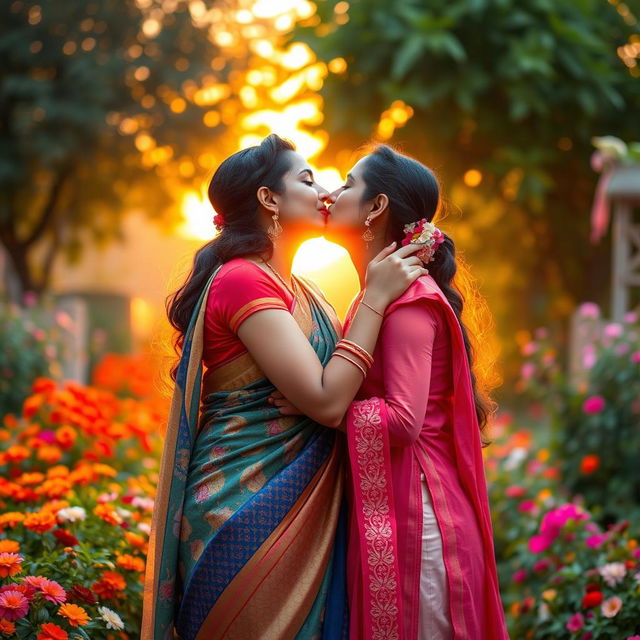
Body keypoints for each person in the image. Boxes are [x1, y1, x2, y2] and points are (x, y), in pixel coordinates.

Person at [142, 134, 428, 640]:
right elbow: (326, 400)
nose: (323, 193)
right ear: (268, 199)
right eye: (307, 179)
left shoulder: (308, 293)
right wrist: (376, 299)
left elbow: (335, 390)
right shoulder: (242, 280)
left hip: (304, 510)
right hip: (241, 508)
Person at [320, 145, 508, 639]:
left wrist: (319, 406)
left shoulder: (406, 302)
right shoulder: (380, 295)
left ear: (376, 208)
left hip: (422, 526)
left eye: (346, 184)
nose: (331, 194)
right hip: (402, 514)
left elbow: (403, 421)